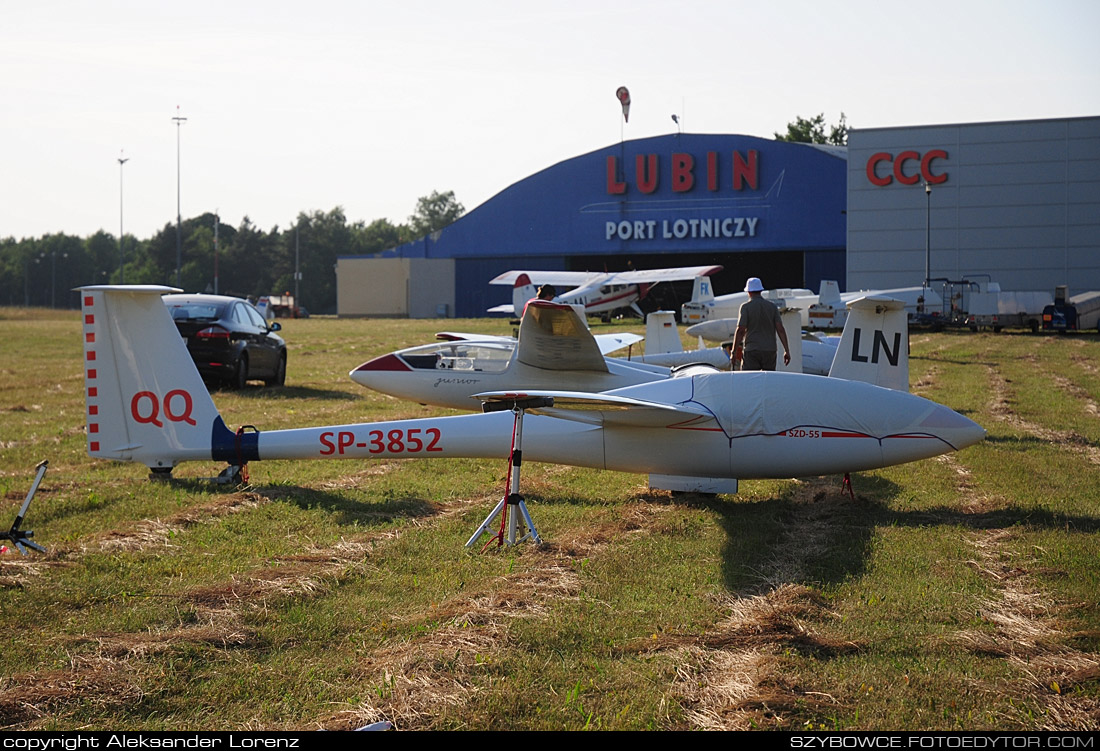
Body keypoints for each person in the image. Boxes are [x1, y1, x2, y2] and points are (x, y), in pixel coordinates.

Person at [731, 277, 791, 371]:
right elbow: (780, 329)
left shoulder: (746, 307)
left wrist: (734, 352)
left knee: (749, 380)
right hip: (770, 350)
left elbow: (741, 330)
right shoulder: (772, 306)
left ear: (749, 292)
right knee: (768, 381)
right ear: (760, 290)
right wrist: (786, 351)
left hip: (752, 350)